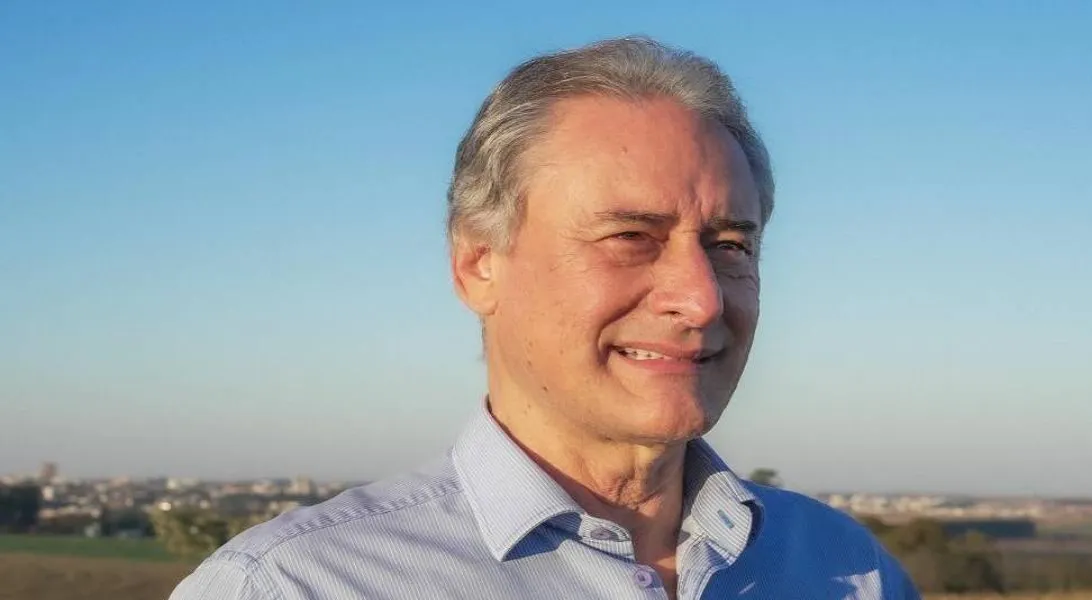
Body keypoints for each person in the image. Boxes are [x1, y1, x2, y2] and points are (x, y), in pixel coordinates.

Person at [168, 36, 921, 600]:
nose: (701, 299)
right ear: (478, 264)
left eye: (730, 246)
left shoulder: (848, 569)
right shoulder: (293, 587)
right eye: (630, 236)